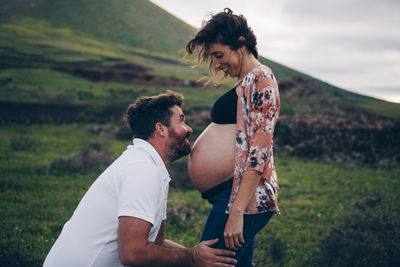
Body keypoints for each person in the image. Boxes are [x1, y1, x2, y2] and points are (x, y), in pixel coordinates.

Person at [43, 90, 237, 267]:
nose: (189, 129)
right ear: (161, 129)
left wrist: (210, 258)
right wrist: (193, 258)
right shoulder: (142, 170)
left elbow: (157, 243)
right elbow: (133, 253)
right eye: (181, 120)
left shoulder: (149, 166)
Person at [186, 8, 280, 266]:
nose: (216, 64)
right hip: (232, 196)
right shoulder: (247, 81)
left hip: (241, 199)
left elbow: (259, 152)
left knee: (208, 261)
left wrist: (237, 211)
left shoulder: (261, 78)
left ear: (241, 44)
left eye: (219, 55)